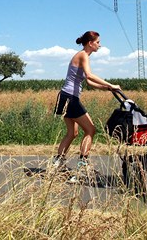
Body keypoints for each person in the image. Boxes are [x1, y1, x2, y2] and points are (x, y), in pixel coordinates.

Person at [52, 31, 121, 181]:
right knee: (90, 129)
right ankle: (81, 169)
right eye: (98, 42)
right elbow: (89, 75)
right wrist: (110, 84)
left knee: (72, 133)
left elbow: (88, 82)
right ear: (90, 43)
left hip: (64, 96)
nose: (100, 45)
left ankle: (56, 165)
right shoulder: (83, 54)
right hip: (70, 97)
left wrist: (107, 88)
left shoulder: (83, 56)